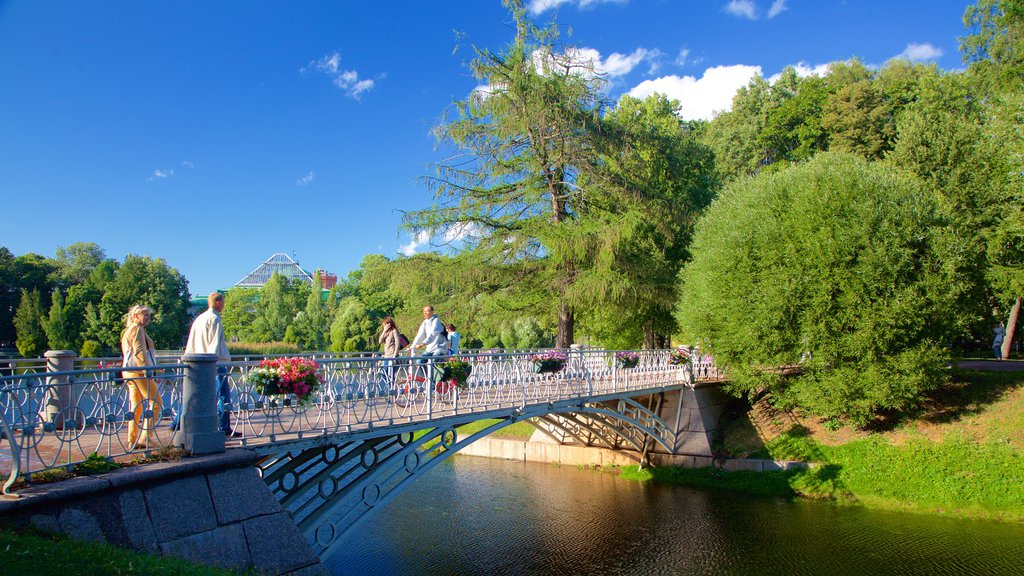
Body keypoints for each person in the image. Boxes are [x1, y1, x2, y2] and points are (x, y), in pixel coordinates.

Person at [181, 292, 236, 437]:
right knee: (223, 394)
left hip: (197, 361)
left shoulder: (200, 318)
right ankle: (224, 427)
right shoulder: (215, 319)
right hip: (213, 362)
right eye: (223, 303)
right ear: (217, 302)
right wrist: (214, 361)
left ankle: (177, 423)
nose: (224, 306)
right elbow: (214, 343)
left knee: (194, 395)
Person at [120, 304, 161, 449]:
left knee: (136, 407)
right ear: (137, 316)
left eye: (149, 315)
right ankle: (145, 437)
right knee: (156, 402)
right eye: (145, 315)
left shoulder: (129, 330)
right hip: (138, 372)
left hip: (129, 371)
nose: (148, 318)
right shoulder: (137, 329)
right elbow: (139, 352)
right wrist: (147, 370)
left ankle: (132, 440)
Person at [408, 305, 447, 382]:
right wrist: (412, 347)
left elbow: (432, 334)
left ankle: (435, 381)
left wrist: (422, 344)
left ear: (432, 312)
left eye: (427, 311)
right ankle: (429, 379)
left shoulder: (436, 321)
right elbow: (420, 335)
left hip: (439, 348)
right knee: (419, 361)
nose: (425, 313)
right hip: (430, 349)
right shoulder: (425, 322)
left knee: (432, 363)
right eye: (424, 311)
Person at [378, 316, 401, 388]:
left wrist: (395, 355)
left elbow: (397, 344)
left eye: (385, 324)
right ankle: (391, 387)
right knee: (383, 373)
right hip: (386, 356)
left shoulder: (394, 331)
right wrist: (384, 331)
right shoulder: (386, 332)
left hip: (392, 356)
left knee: (391, 373)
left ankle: (392, 389)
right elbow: (380, 341)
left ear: (389, 324)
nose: (384, 326)